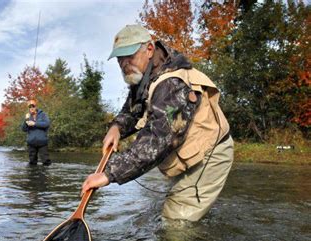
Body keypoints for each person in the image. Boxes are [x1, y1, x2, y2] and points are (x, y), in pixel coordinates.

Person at [81, 24, 234, 222]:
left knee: (175, 222)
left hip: (209, 154)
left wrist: (109, 174)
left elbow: (158, 139)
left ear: (150, 49)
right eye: (120, 58)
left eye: (130, 56)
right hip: (188, 151)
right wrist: (116, 127)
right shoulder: (144, 76)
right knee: (178, 208)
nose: (124, 63)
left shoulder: (172, 83)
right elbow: (132, 109)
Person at [21, 100, 51, 166]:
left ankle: (46, 175)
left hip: (42, 142)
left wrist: (35, 124)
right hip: (31, 143)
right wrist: (26, 120)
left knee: (46, 162)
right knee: (32, 163)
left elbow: (47, 124)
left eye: (33, 106)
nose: (31, 108)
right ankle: (33, 176)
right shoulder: (28, 116)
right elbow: (24, 129)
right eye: (29, 106)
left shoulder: (43, 114)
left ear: (36, 106)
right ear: (28, 108)